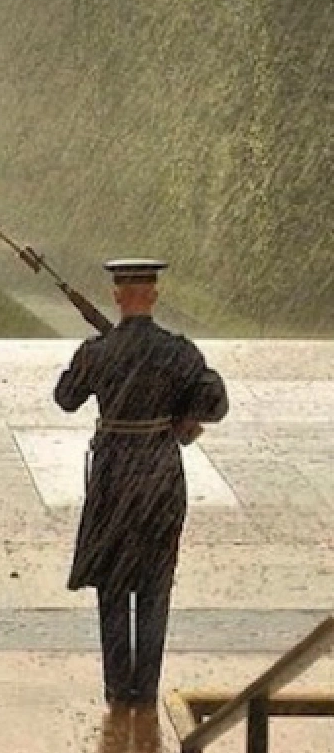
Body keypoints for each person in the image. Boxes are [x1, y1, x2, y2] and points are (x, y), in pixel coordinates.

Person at [54, 258, 228, 706]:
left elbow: (66, 399)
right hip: (158, 469)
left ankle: (117, 687)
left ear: (116, 295)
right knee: (154, 583)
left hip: (114, 472)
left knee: (112, 583)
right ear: (153, 295)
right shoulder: (179, 351)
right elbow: (216, 400)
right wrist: (180, 418)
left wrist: (95, 359)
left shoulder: (99, 350)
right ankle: (145, 689)